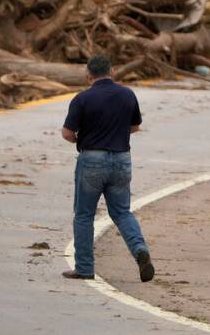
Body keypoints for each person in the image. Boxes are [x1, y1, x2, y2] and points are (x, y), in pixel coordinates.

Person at [61, 55, 154, 282]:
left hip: (92, 159)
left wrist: (81, 139)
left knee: (84, 215)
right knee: (122, 212)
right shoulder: (127, 94)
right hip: (122, 159)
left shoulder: (82, 98)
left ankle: (84, 268)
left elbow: (67, 133)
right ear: (112, 72)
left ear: (88, 75)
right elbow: (135, 126)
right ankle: (140, 250)